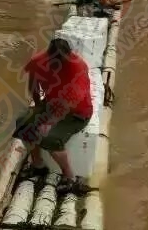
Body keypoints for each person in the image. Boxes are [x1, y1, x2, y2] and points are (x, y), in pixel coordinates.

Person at [14, 37, 93, 195]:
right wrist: (38, 106)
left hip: (76, 112)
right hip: (50, 105)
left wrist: (49, 122)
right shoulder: (39, 60)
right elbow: (33, 82)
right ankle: (38, 166)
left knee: (50, 138)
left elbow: (70, 102)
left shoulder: (78, 67)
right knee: (23, 123)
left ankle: (69, 177)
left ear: (70, 55)